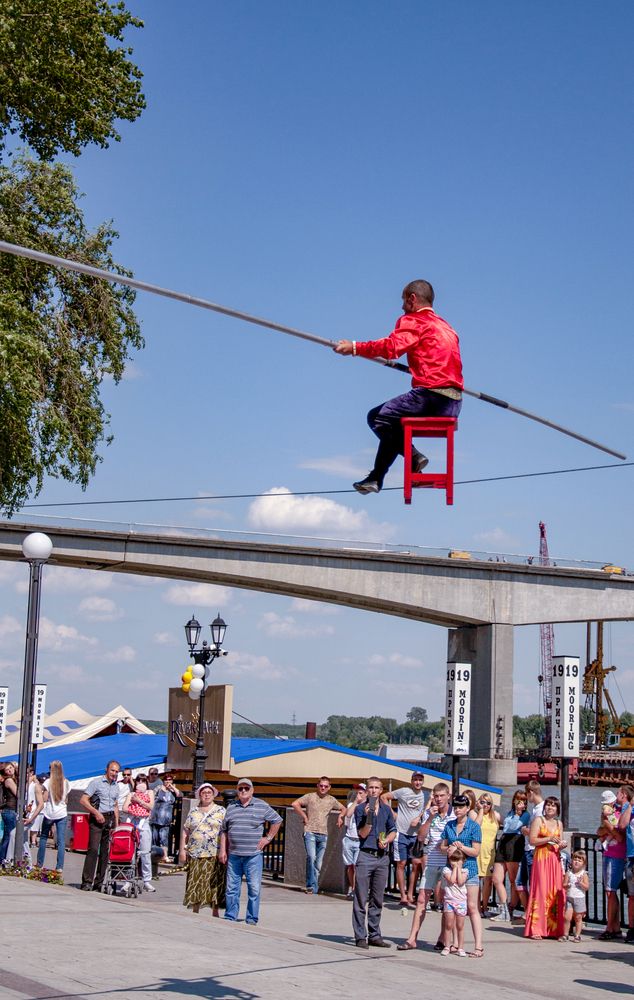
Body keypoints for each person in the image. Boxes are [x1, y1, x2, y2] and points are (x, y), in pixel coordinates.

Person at [333, 280, 463, 494]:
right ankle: (377, 477)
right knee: (393, 424)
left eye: (403, 301)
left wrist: (354, 348)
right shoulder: (447, 327)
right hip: (453, 402)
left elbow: (391, 347)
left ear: (412, 299)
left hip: (430, 396)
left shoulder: (415, 321)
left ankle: (411, 458)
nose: (402, 307)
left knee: (377, 417)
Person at [398, 781, 454, 952]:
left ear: (448, 796)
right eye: (436, 796)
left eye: (441, 796)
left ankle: (443, 937)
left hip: (447, 864)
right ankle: (412, 938)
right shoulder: (430, 813)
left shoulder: (454, 814)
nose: (438, 799)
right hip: (431, 862)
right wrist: (429, 817)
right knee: (422, 898)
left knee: (446, 902)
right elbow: (421, 837)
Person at [219, 779, 282, 925]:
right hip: (234, 854)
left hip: (253, 855)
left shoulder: (261, 805)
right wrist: (222, 850)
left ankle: (251, 918)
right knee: (231, 888)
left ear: (252, 790)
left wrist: (268, 838)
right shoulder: (231, 807)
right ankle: (230, 916)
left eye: (246, 788)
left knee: (254, 888)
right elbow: (224, 830)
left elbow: (277, 820)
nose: (243, 791)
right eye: (240, 789)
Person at [352, 776, 397, 948]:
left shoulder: (386, 809)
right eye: (371, 787)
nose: (373, 791)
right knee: (361, 897)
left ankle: (375, 934)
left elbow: (393, 830)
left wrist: (387, 840)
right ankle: (360, 936)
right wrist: (369, 817)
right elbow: (362, 834)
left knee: (377, 899)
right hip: (365, 855)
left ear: (381, 790)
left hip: (382, 857)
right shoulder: (360, 809)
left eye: (377, 788)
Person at [441, 793, 483, 958]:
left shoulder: (473, 827)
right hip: (451, 870)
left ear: (467, 809)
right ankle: (452, 943)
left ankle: (478, 946)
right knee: (451, 906)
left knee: (472, 907)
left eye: (461, 807)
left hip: (469, 870)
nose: (458, 810)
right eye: (456, 807)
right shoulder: (449, 825)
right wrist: (449, 848)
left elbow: (476, 851)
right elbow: (442, 846)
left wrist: (462, 847)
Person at [291, 777, 345, 895]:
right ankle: (311, 886)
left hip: (323, 833)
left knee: (318, 863)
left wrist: (341, 816)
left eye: (326, 786)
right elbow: (295, 804)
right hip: (310, 831)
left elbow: (343, 808)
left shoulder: (331, 800)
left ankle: (314, 887)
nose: (323, 788)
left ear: (329, 787)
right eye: (321, 785)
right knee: (311, 857)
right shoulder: (310, 797)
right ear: (317, 785)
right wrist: (304, 816)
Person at [179, 783, 226, 916]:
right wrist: (182, 850)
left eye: (209, 792)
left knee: (214, 881)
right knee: (196, 881)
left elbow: (225, 831)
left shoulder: (221, 810)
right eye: (203, 792)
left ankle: (215, 911)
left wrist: (224, 850)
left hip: (214, 852)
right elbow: (185, 830)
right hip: (195, 852)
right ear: (199, 795)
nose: (206, 794)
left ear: (213, 795)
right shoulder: (193, 811)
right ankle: (195, 909)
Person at [524, 795, 566, 940]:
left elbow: (558, 841)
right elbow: (533, 840)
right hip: (541, 858)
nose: (550, 807)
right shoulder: (538, 820)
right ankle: (537, 928)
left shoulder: (559, 824)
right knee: (541, 891)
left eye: (553, 805)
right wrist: (548, 839)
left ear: (557, 809)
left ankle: (554, 929)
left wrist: (561, 845)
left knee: (554, 892)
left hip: (554, 859)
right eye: (548, 805)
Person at [380, 772, 426, 906]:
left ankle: (411, 893)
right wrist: (393, 814)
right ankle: (403, 895)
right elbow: (384, 796)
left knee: (416, 864)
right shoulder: (404, 791)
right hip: (401, 832)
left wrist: (420, 818)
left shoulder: (425, 795)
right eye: (415, 780)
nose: (417, 782)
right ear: (411, 781)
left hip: (416, 834)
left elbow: (427, 808)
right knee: (401, 863)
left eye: (420, 780)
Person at [79, 760, 121, 891]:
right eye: (112, 770)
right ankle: (87, 881)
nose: (114, 773)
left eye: (116, 771)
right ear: (107, 770)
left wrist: (116, 824)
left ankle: (99, 882)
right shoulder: (96, 783)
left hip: (109, 818)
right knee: (92, 849)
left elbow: (115, 805)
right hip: (97, 817)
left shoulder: (116, 786)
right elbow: (83, 800)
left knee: (105, 852)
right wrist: (95, 812)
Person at [491, 790, 530, 922]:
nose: (521, 803)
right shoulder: (510, 813)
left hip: (515, 843)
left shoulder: (525, 815)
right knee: (496, 878)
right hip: (503, 842)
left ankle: (511, 908)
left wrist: (518, 815)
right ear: (514, 801)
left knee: (513, 879)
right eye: (519, 800)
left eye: (524, 801)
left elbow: (513, 827)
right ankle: (504, 908)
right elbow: (506, 826)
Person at [28, 760, 70, 872]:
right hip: (62, 813)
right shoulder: (66, 782)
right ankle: (59, 867)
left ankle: (40, 863)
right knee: (61, 841)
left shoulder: (48, 782)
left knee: (43, 838)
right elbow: (66, 799)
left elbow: (45, 798)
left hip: (50, 813)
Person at [597, 784, 627, 940]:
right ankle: (614, 927)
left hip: (617, 854)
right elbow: (599, 831)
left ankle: (611, 927)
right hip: (608, 853)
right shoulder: (608, 813)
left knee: (610, 890)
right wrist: (607, 827)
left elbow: (620, 836)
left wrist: (607, 826)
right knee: (610, 891)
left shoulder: (623, 812)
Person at [517, 780, 545, 914]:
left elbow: (542, 830)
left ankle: (532, 914)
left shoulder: (541, 810)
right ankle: (529, 913)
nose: (527, 798)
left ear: (531, 793)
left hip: (533, 850)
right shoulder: (537, 808)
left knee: (531, 883)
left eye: (527, 795)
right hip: (528, 849)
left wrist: (527, 831)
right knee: (521, 883)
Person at [124, 773, 155, 892]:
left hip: (144, 824)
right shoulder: (131, 793)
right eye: (138, 781)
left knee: (145, 853)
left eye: (143, 781)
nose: (141, 783)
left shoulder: (149, 792)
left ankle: (147, 880)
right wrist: (134, 809)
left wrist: (139, 801)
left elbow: (151, 806)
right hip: (133, 822)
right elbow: (125, 808)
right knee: (130, 853)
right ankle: (128, 880)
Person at [441, 844, 469, 957]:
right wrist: (455, 868)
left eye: (457, 860)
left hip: (461, 902)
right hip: (449, 901)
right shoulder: (446, 870)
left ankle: (460, 947)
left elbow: (461, 882)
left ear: (463, 860)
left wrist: (458, 869)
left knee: (460, 926)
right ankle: (447, 946)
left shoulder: (465, 871)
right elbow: (452, 880)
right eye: (453, 860)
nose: (454, 863)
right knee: (448, 925)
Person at [475, 793, 500, 916]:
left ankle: (485, 907)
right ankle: (477, 908)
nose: (486, 805)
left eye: (488, 803)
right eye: (483, 802)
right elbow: (475, 826)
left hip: (490, 853)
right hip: (477, 851)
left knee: (488, 881)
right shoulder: (474, 814)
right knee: (476, 881)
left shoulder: (495, 816)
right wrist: (480, 809)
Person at [342, 784, 366, 897]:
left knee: (358, 866)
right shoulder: (352, 804)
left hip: (359, 840)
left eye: (361, 793)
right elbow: (348, 814)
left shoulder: (368, 806)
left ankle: (358, 890)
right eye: (357, 792)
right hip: (349, 838)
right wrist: (356, 802)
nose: (359, 794)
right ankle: (352, 888)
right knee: (350, 865)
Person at [150, 772, 181, 863]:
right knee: (155, 837)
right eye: (166, 780)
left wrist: (173, 787)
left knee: (164, 837)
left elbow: (180, 795)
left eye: (169, 780)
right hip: (156, 816)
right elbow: (152, 796)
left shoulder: (173, 790)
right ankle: (155, 855)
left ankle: (164, 855)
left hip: (166, 818)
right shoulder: (159, 788)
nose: (168, 781)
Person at [617, 784, 634, 944]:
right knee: (632, 896)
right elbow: (622, 825)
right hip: (632, 856)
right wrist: (630, 805)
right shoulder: (630, 808)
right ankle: (632, 928)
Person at [561, 849, 589, 942]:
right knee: (567, 917)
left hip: (579, 898)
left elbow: (587, 887)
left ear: (583, 864)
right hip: (569, 897)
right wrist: (567, 885)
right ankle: (565, 934)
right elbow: (563, 885)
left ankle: (577, 935)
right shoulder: (569, 873)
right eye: (575, 859)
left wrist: (581, 883)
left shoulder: (583, 874)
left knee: (578, 917)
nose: (576, 862)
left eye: (579, 860)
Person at [0, 762, 19, 864]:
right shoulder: (9, 780)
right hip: (10, 810)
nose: (10, 770)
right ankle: (3, 859)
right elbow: (18, 794)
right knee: (9, 836)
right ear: (5, 772)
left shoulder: (10, 780)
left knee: (8, 836)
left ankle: (4, 858)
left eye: (11, 767)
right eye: (7, 769)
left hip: (9, 810)